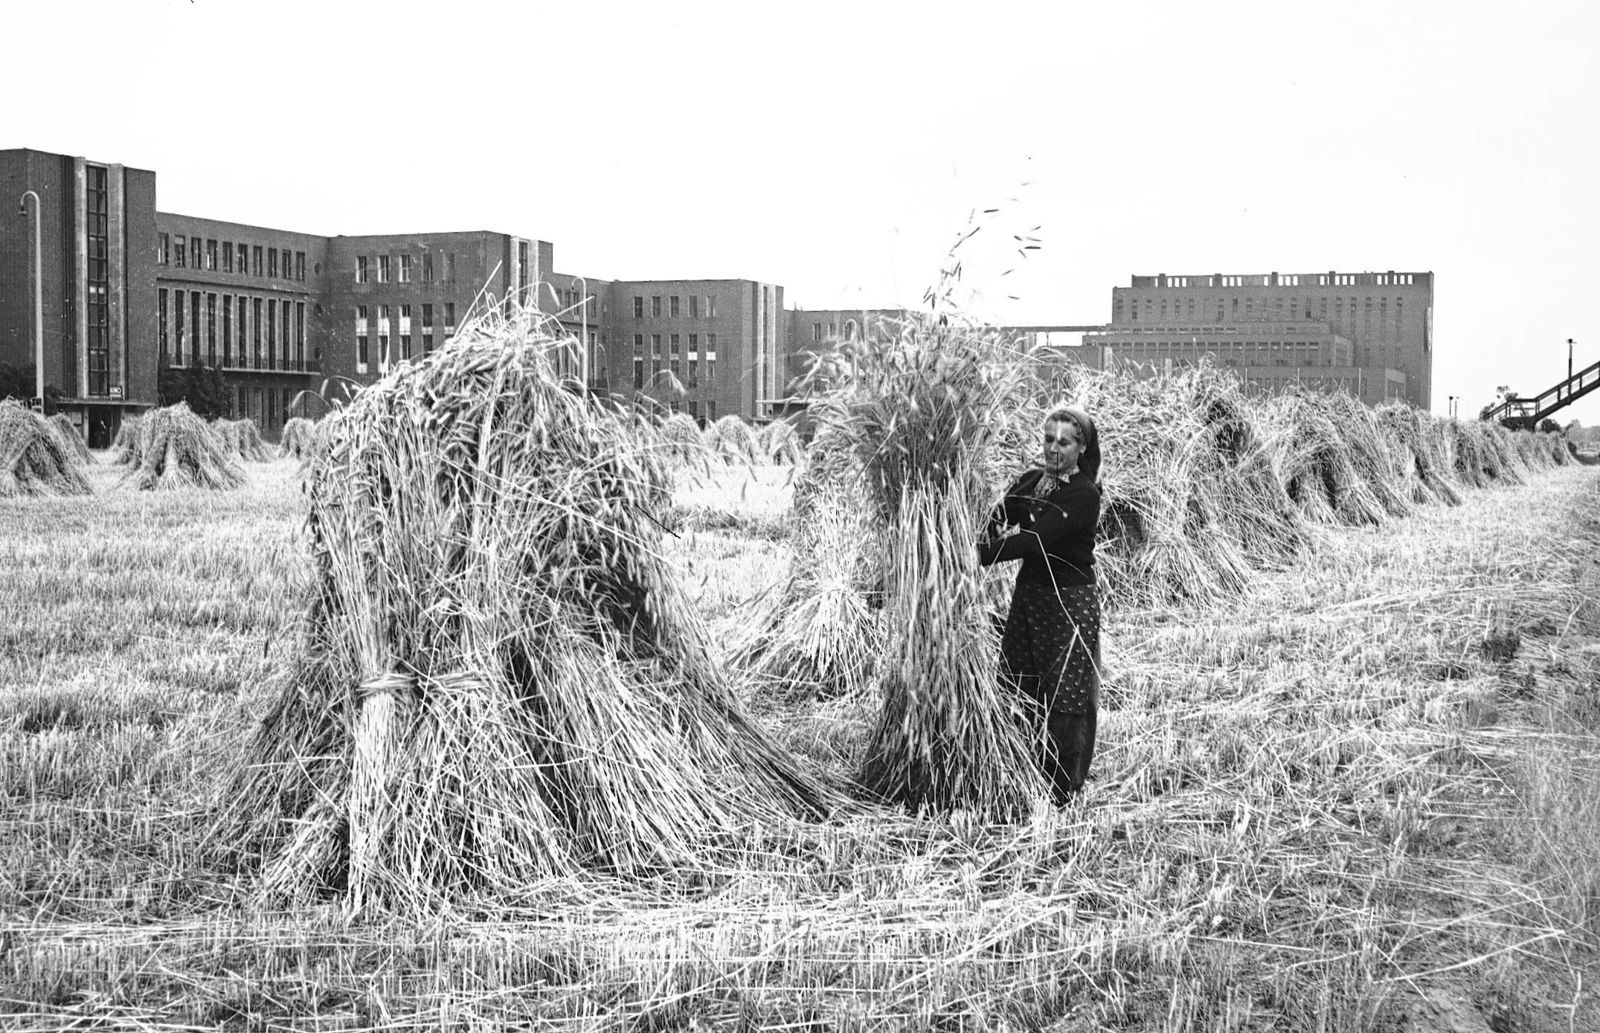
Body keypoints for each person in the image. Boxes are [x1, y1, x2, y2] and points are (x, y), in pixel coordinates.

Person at [978, 406, 1102, 804]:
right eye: (1048, 439)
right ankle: (1024, 769)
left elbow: (1035, 542)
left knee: (1065, 694)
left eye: (1064, 442)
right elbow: (1000, 514)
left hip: (1069, 602)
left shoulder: (1084, 493)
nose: (1053, 449)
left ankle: (1062, 789)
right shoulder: (1033, 481)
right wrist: (974, 526)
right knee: (1017, 682)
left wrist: (974, 555)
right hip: (1030, 596)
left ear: (1081, 447)